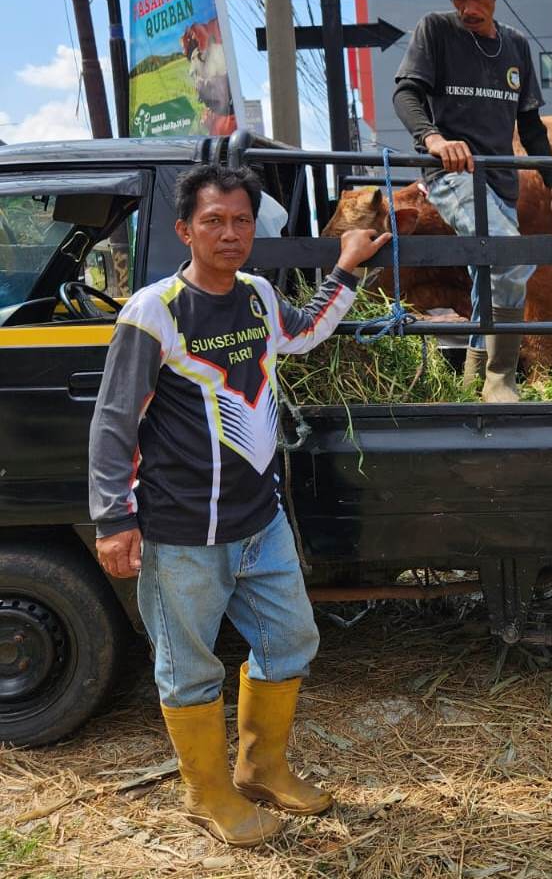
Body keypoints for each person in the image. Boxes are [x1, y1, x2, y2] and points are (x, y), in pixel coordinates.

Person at [88, 164, 391, 846]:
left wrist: (344, 272)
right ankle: (206, 795)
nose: (229, 233)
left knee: (290, 642)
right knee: (189, 666)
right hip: (183, 529)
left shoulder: (256, 296)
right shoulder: (153, 311)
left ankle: (260, 767)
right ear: (184, 230)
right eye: (214, 220)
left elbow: (303, 334)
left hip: (261, 521)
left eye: (241, 221)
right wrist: (114, 518)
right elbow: (113, 424)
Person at [392, 0, 552, 402]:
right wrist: (433, 139)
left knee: (490, 273)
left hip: (500, 181)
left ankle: (472, 379)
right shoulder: (434, 31)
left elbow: (531, 127)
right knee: (510, 257)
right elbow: (406, 95)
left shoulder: (515, 46)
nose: (468, 8)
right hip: (451, 176)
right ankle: (501, 379)